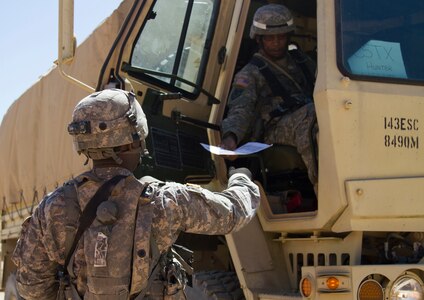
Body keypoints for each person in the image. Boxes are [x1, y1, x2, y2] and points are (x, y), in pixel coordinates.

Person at [12, 88, 260, 299]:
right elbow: (233, 212)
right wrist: (241, 177)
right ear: (135, 138)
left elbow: (31, 289)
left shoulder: (53, 207)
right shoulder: (164, 200)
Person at [221, 3, 318, 193]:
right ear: (259, 39)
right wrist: (231, 138)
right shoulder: (250, 74)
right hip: (273, 128)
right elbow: (241, 109)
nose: (276, 42)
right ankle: (323, 189)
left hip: (310, 115)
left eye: (281, 36)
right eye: (269, 38)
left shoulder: (302, 61)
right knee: (311, 116)